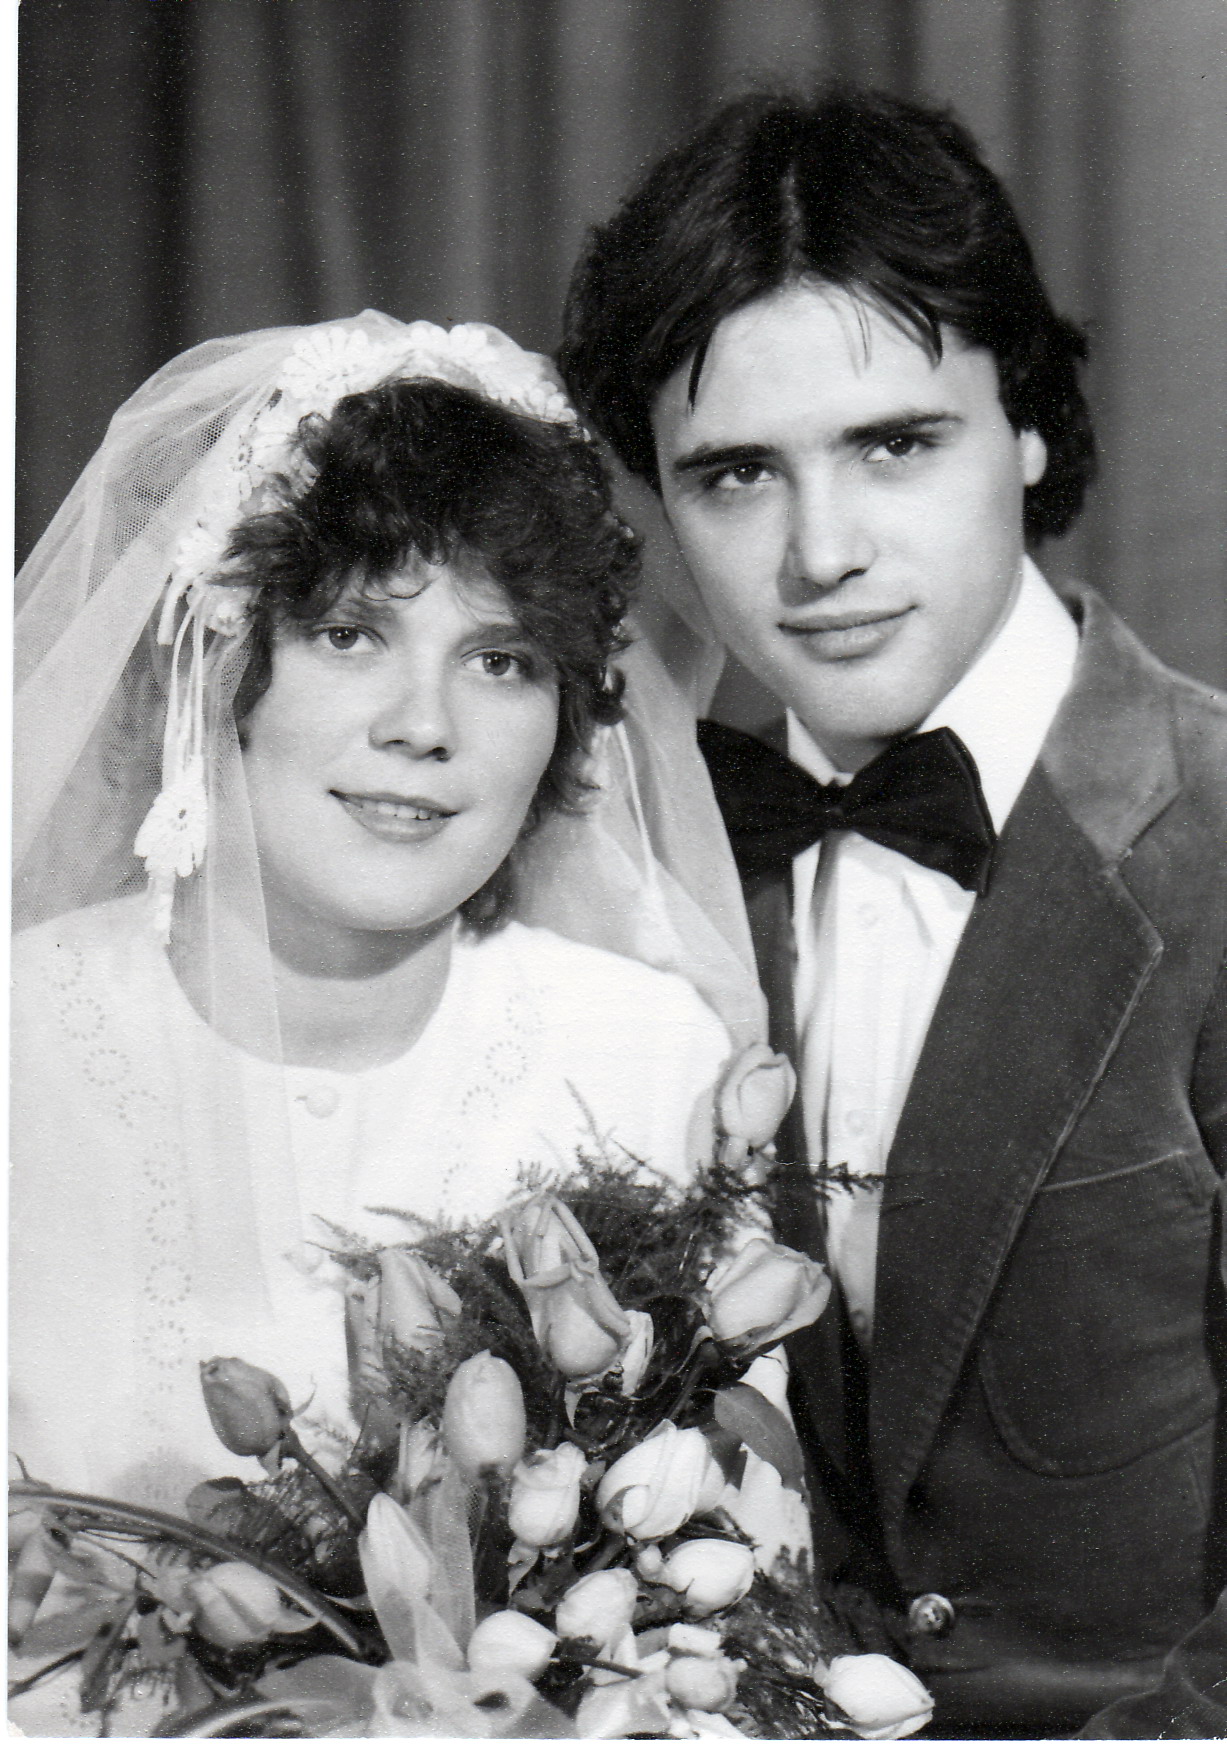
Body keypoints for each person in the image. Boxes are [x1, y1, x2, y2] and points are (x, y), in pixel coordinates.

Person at [560, 86, 1227, 1739]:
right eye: (734, 474)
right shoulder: (624, 868)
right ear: (657, 510)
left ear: (1026, 425)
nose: (820, 550)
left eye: (893, 443)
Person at [10, 312, 764, 1530]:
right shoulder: (22, 1042)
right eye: (350, 633)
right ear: (212, 662)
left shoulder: (645, 1054)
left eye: (502, 660)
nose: (424, 724)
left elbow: (738, 1548)